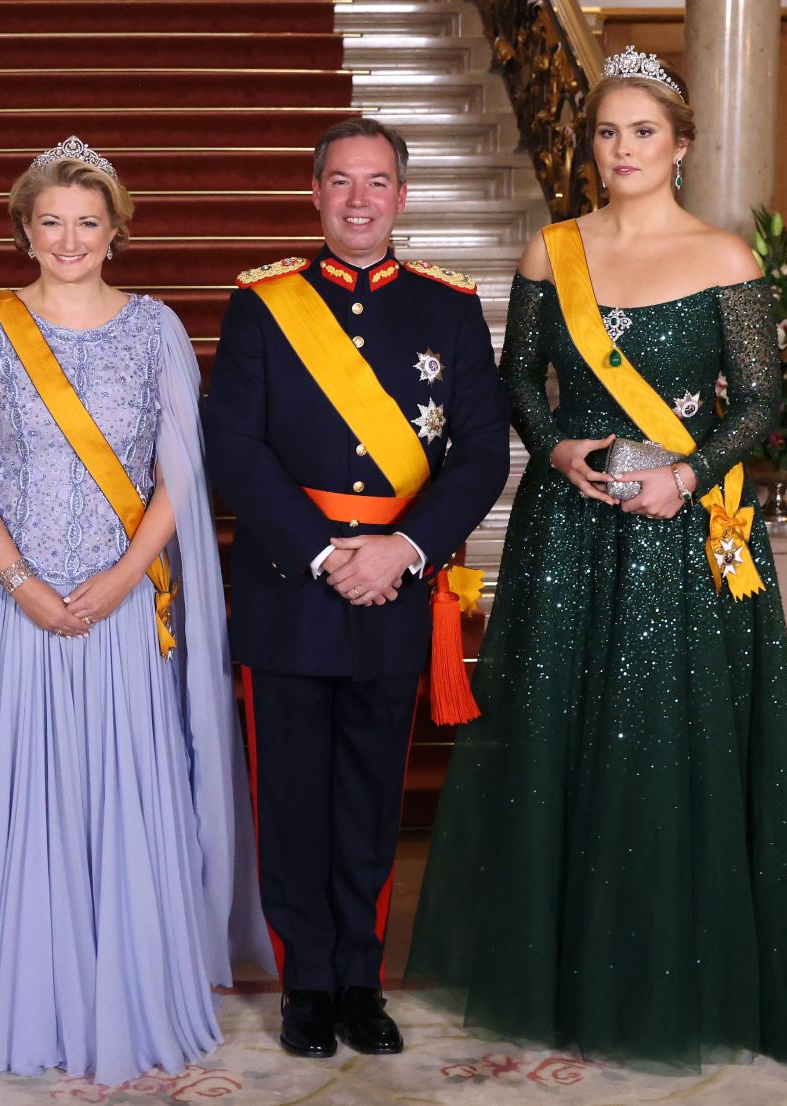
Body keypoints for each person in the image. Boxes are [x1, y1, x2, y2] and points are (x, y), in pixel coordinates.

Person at [406, 47, 787, 1067]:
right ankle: (566, 972)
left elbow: (761, 400)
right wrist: (557, 444)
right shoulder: (552, 248)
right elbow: (516, 382)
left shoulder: (727, 258)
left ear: (682, 146)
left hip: (677, 540)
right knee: (560, 742)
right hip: (567, 530)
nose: (623, 150)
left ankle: (669, 974)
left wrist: (689, 475)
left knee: (663, 747)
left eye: (643, 133)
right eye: (608, 133)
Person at [0, 137, 271, 1086]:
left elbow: (179, 477)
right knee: (27, 800)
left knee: (122, 795)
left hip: (120, 608)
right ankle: (25, 998)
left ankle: (132, 992)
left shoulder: (155, 330)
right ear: (25, 229)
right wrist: (22, 581)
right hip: (18, 607)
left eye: (88, 223)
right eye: (52, 223)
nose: (70, 239)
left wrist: (120, 577)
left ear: (117, 231)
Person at [203, 117, 511, 1059]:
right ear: (315, 195)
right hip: (290, 586)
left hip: (398, 589)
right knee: (292, 796)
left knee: (370, 796)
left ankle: (358, 981)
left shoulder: (450, 308)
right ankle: (305, 984)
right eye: (341, 182)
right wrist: (331, 554)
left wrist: (403, 549)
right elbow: (234, 451)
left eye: (377, 183)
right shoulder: (263, 305)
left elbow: (482, 455)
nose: (359, 200)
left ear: (403, 198)